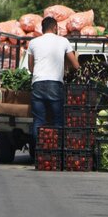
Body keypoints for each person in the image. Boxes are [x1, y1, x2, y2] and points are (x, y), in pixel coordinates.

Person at [28, 16, 80, 145]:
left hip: (38, 84)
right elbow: (75, 65)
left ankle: (38, 150)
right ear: (55, 27)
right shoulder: (63, 41)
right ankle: (55, 150)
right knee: (57, 120)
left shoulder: (33, 42)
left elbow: (30, 67)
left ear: (42, 28)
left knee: (39, 121)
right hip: (55, 84)